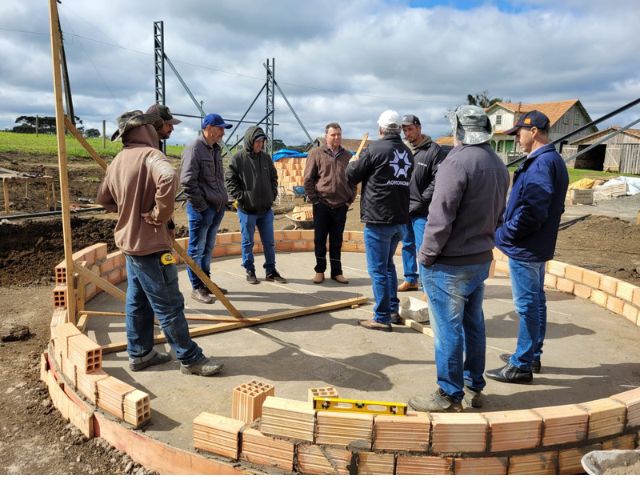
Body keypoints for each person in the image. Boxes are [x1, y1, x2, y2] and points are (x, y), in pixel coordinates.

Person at [96, 110, 223, 376]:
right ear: (147, 130)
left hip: (129, 243)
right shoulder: (151, 155)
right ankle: (190, 359)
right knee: (169, 303)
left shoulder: (118, 159)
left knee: (138, 301)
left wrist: (128, 208)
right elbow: (168, 177)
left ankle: (140, 354)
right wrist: (157, 214)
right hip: (151, 245)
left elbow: (103, 199)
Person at [408, 105, 509, 412]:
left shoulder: (457, 162)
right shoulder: (497, 163)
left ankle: (449, 394)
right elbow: (500, 214)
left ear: (460, 130)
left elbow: (440, 216)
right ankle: (473, 386)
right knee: (473, 323)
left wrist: (425, 255)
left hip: (450, 263)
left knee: (448, 329)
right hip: (479, 258)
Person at [487, 110, 569, 384]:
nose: (516, 140)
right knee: (536, 301)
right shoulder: (551, 160)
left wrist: (505, 234)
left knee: (527, 305)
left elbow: (533, 210)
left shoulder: (541, 164)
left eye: (518, 134)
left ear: (533, 131)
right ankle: (532, 354)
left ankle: (521, 364)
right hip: (536, 245)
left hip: (526, 247)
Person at [346, 110, 413, 331]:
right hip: (399, 219)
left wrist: (353, 162)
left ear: (381, 129)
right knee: (387, 266)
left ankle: (382, 317)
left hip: (378, 219)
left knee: (377, 270)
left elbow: (351, 177)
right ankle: (392, 309)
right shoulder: (406, 151)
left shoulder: (374, 149)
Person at [180, 113, 232, 304]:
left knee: (208, 248)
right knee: (196, 249)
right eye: (220, 129)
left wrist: (223, 201)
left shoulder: (215, 149)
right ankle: (196, 287)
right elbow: (187, 182)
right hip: (202, 209)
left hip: (216, 208)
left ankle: (206, 283)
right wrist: (202, 207)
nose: (222, 134)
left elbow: (218, 180)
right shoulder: (195, 148)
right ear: (208, 127)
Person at [225, 126, 287, 285]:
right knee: (247, 242)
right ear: (250, 141)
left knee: (269, 242)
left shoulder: (266, 158)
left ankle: (271, 271)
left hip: (265, 210)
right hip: (247, 210)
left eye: (262, 141)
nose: (260, 144)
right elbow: (229, 180)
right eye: (257, 141)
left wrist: (272, 194)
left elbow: (274, 178)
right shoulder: (238, 158)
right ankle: (249, 270)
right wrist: (242, 197)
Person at [397, 114, 445, 297]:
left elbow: (437, 179)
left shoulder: (434, 150)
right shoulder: (402, 149)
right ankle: (410, 279)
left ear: (419, 127)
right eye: (404, 130)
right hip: (404, 208)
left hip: (423, 210)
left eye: (410, 129)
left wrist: (422, 200)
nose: (407, 133)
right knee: (407, 243)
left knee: (423, 248)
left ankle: (427, 285)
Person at [304, 122, 356, 284]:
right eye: (333, 134)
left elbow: (353, 180)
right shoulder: (316, 153)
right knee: (320, 239)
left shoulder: (348, 156)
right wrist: (315, 200)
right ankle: (320, 270)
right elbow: (308, 179)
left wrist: (349, 200)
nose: (336, 137)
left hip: (341, 205)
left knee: (337, 240)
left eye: (339, 134)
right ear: (326, 136)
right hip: (322, 204)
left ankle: (337, 272)